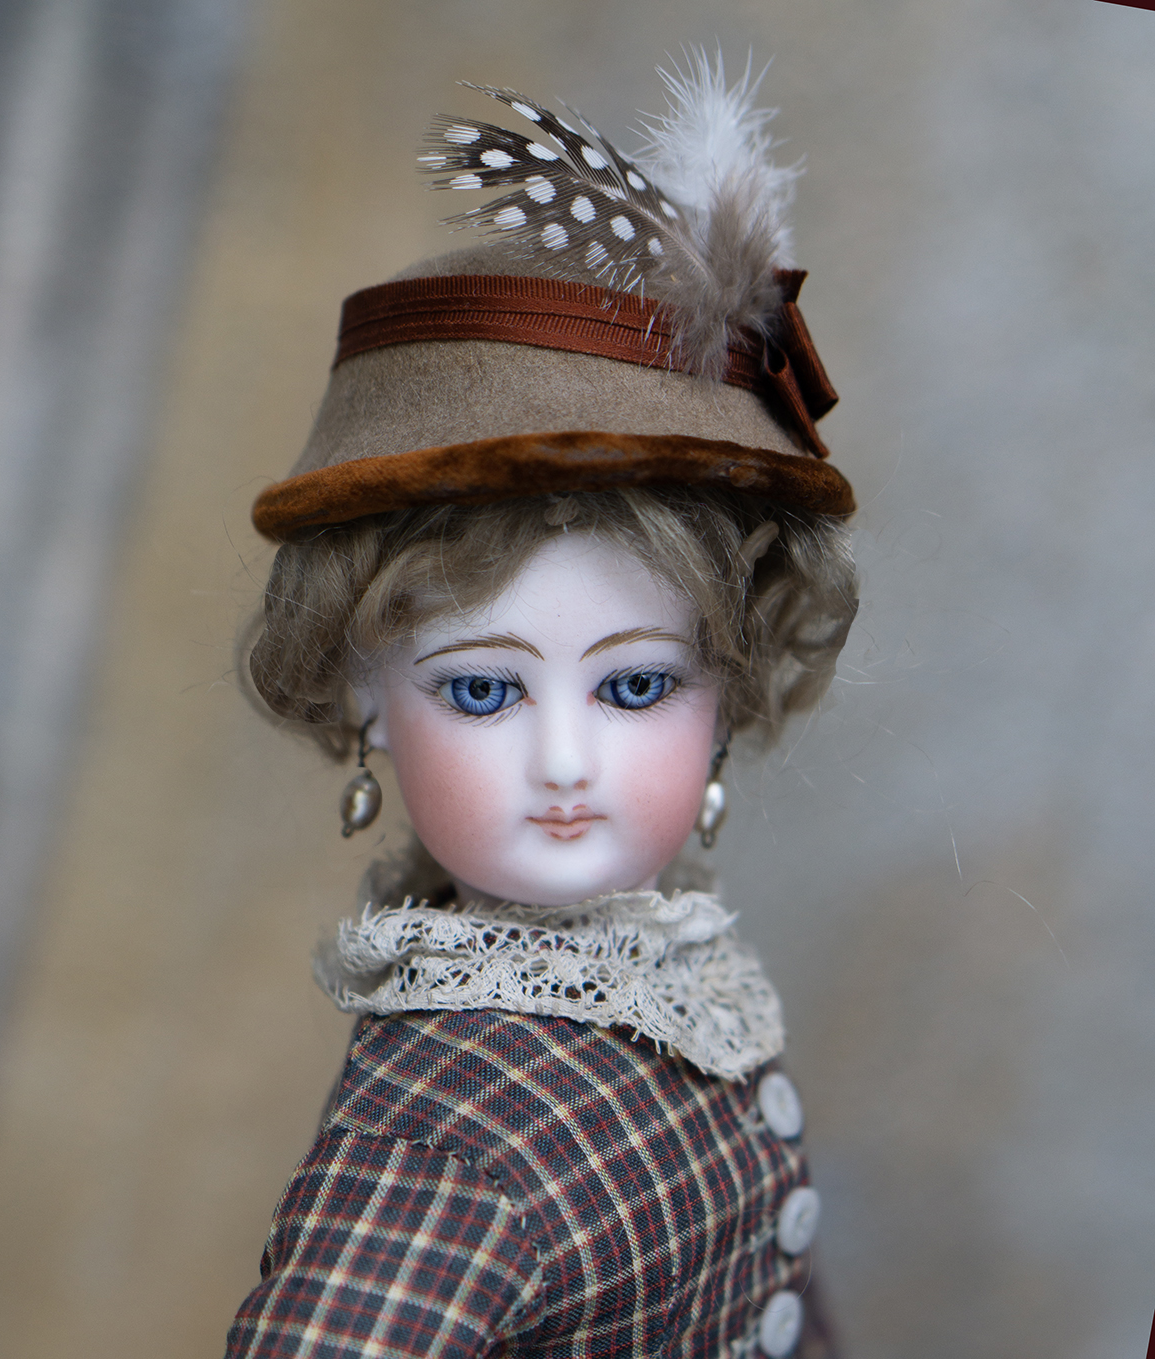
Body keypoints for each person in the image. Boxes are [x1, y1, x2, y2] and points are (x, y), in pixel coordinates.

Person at [228, 53, 858, 1359]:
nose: (565, 761)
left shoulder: (670, 978)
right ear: (365, 695)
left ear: (727, 689)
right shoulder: (444, 1149)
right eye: (481, 690)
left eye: (636, 685)